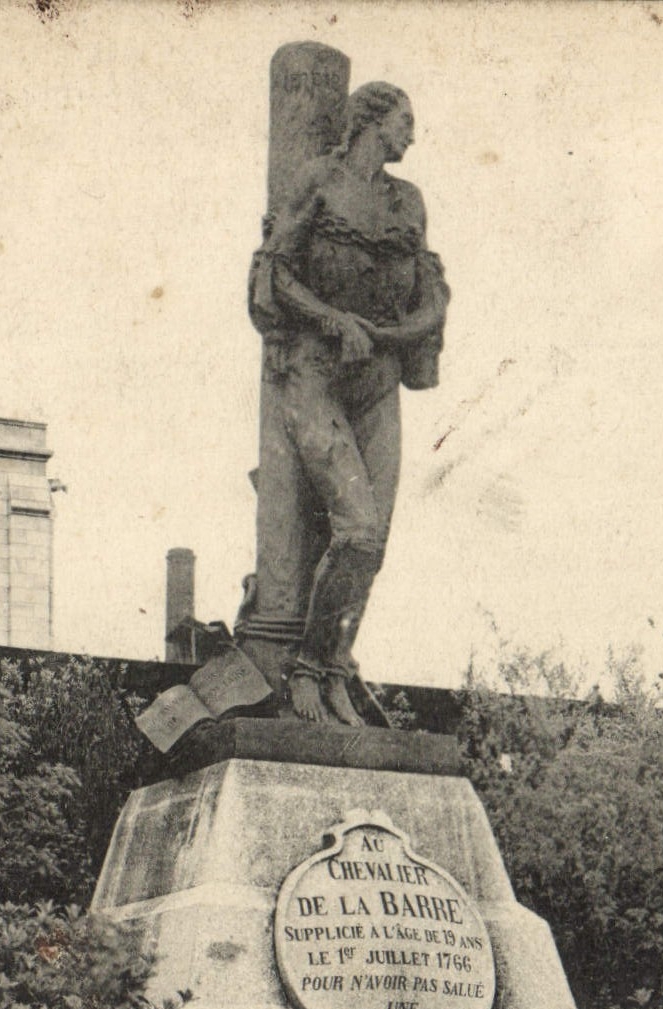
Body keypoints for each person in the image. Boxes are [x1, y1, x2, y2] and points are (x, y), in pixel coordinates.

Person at [242, 83, 450, 724]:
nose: (413, 134)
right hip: (312, 375)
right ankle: (306, 670)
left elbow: (429, 290)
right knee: (355, 529)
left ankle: (333, 670)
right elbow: (274, 271)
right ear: (372, 121)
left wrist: (405, 329)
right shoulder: (319, 182)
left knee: (373, 543)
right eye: (405, 121)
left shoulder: (407, 201)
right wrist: (336, 321)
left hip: (376, 382)